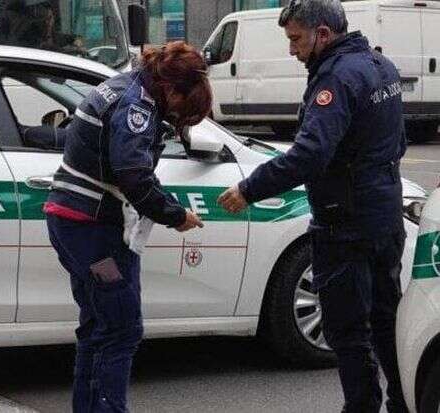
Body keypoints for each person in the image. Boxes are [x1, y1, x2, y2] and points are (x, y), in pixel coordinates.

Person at [217, 1, 408, 412]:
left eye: (296, 39)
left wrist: (249, 188)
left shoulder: (336, 79)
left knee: (348, 330)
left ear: (322, 34)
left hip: (346, 225)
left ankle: (361, 407)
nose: (292, 50)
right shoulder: (380, 65)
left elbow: (309, 154)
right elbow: (398, 141)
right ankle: (403, 402)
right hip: (384, 217)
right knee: (387, 320)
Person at [44, 41, 212, 413]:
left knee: (96, 328)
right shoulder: (137, 105)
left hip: (72, 226)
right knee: (121, 331)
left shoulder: (123, 85)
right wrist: (175, 215)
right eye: (181, 110)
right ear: (171, 88)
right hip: (95, 237)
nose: (177, 118)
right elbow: (133, 174)